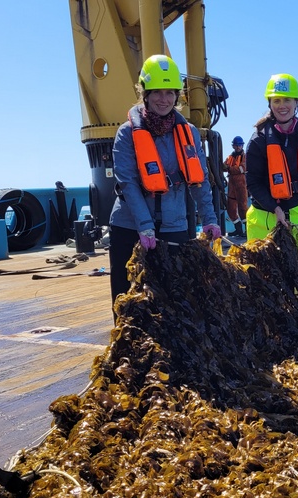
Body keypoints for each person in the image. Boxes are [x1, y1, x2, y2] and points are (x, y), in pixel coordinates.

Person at [108, 54, 221, 308]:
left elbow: (200, 181)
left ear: (177, 96)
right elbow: (128, 183)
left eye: (170, 93)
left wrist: (210, 218)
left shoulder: (189, 133)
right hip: (129, 226)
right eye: (157, 92)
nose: (164, 99)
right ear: (145, 93)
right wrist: (144, 226)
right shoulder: (126, 133)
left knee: (174, 299)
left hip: (173, 225)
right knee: (127, 300)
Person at [245, 73, 298, 266]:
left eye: (287, 100)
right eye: (277, 100)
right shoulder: (258, 140)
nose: (282, 105)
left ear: (297, 102)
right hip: (265, 215)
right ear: (270, 103)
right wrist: (275, 208)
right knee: (263, 273)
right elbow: (253, 182)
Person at [224, 136, 248, 237]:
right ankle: (238, 229)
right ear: (233, 146)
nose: (238, 147)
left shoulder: (245, 157)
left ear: (242, 146)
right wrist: (226, 167)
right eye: (236, 145)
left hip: (241, 185)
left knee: (243, 208)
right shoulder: (230, 157)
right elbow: (223, 167)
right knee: (231, 209)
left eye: (240, 145)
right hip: (231, 186)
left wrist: (229, 168)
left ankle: (247, 230)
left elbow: (242, 168)